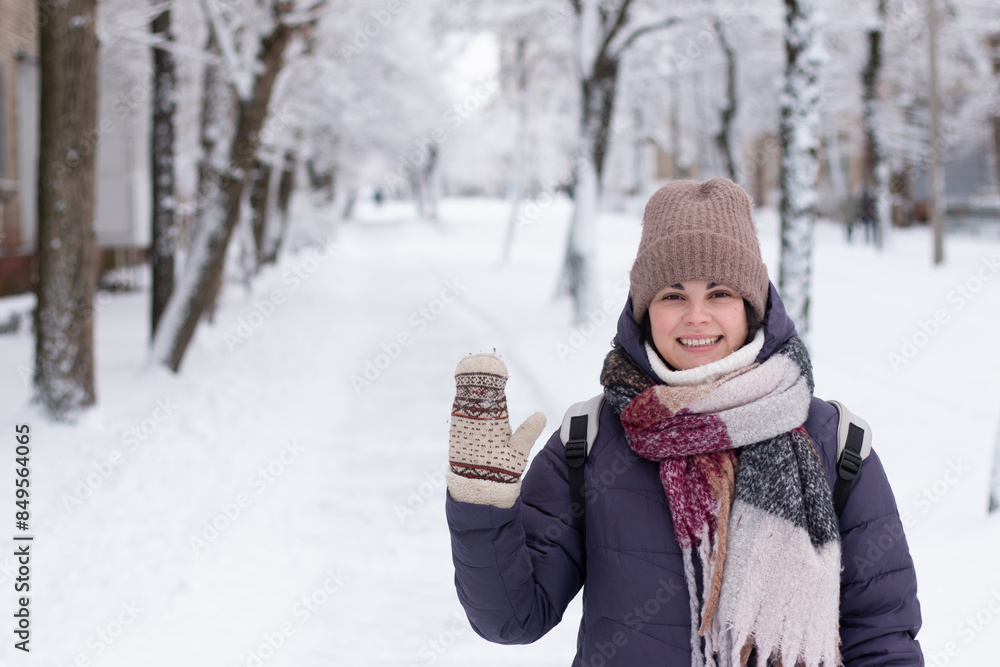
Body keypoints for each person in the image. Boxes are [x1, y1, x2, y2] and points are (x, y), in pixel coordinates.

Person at [445, 178, 922, 667]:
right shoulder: (589, 442)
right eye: (673, 295)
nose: (696, 316)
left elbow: (883, 640)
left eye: (719, 294)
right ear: (644, 309)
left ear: (751, 308)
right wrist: (481, 505)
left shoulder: (834, 444)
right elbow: (513, 619)